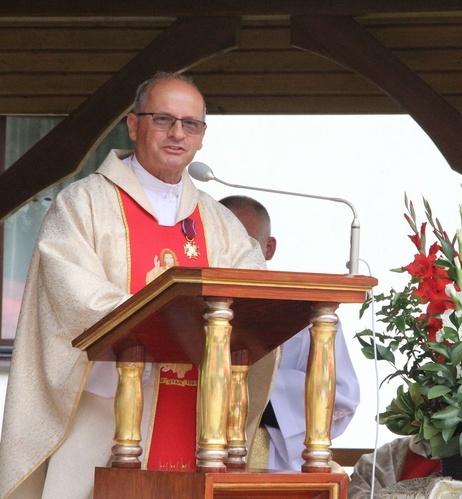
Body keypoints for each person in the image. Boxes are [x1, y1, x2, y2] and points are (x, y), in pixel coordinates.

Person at [0, 72, 278, 498]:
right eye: (164, 119)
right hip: (101, 417)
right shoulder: (85, 204)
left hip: (196, 421)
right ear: (134, 125)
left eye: (191, 124)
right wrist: (164, 320)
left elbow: (254, 294)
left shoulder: (218, 222)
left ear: (202, 137)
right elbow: (71, 293)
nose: (177, 134)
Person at [219, 195, 360, 471]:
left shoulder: (310, 314)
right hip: (198, 460)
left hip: (280, 467)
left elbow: (341, 399)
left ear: (269, 248)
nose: (232, 253)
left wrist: (249, 389)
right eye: (223, 242)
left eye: (245, 243)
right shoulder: (189, 309)